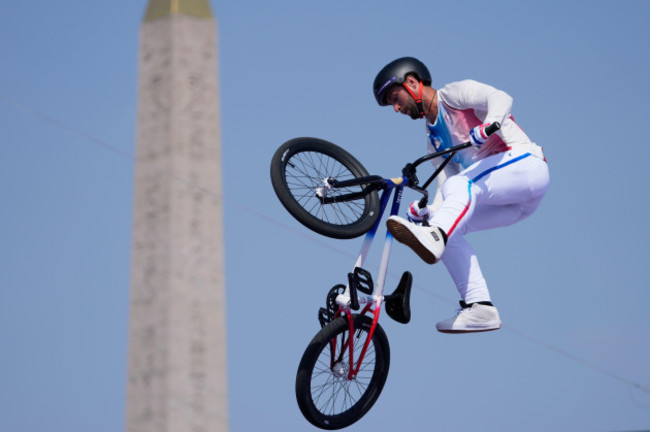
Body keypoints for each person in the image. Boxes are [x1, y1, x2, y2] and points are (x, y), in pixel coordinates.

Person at [373, 57, 549, 333]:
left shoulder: (452, 95)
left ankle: (434, 236)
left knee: (447, 215)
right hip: (516, 204)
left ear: (412, 83)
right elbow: (448, 191)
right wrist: (429, 212)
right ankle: (480, 307)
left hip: (527, 166)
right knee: (444, 226)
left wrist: (489, 124)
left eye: (395, 99)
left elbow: (500, 97)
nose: (396, 108)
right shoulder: (433, 141)